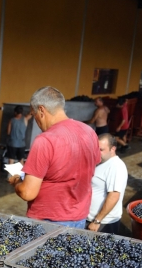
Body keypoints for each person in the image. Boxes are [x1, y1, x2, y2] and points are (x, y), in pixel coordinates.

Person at [9, 86, 100, 228]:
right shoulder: (89, 132)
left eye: (34, 115)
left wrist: (16, 181)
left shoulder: (45, 140)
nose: (37, 122)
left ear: (41, 110)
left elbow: (27, 192)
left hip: (49, 221)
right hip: (79, 216)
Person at [87, 133, 128, 234]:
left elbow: (114, 195)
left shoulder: (116, 166)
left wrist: (97, 221)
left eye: (101, 150)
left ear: (113, 149)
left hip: (103, 224)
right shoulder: (103, 162)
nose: (97, 152)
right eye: (96, 149)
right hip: (92, 219)